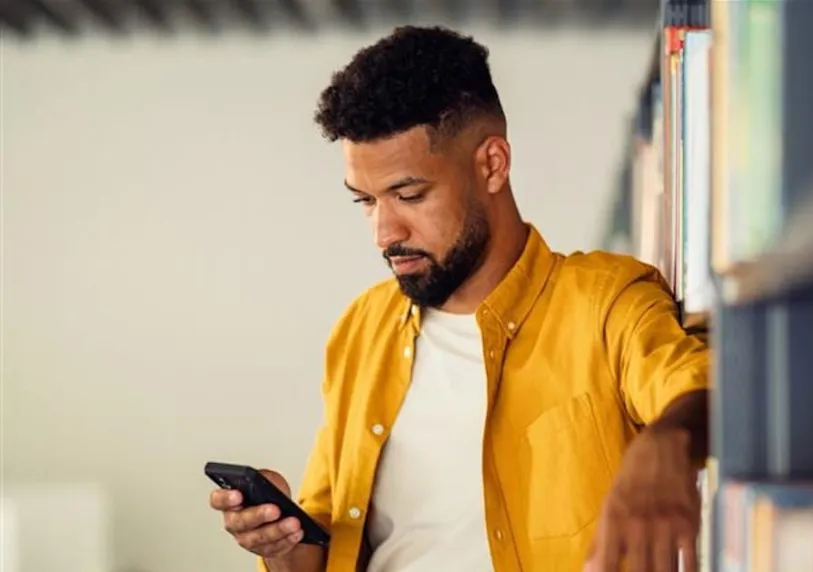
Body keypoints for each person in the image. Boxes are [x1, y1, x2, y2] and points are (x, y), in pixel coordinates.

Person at [208, 25, 710, 572]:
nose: (383, 232)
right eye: (365, 201)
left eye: (409, 195)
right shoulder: (361, 329)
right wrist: (280, 542)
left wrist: (670, 441)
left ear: (492, 164)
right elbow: (328, 552)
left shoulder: (605, 302)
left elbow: (707, 388)